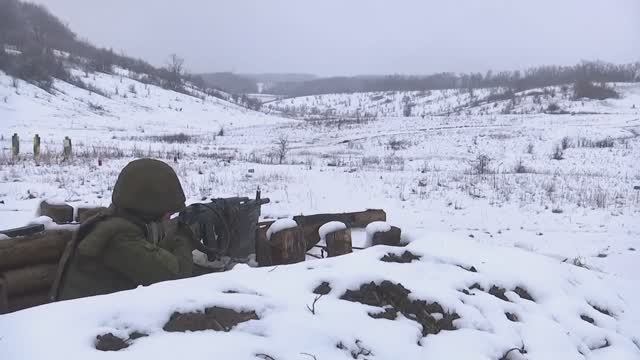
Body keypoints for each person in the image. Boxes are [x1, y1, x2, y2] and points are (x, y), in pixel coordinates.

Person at [51, 158, 194, 301]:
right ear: (149, 208)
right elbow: (177, 278)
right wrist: (183, 236)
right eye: (167, 213)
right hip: (84, 321)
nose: (169, 218)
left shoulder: (114, 220)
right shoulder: (117, 238)